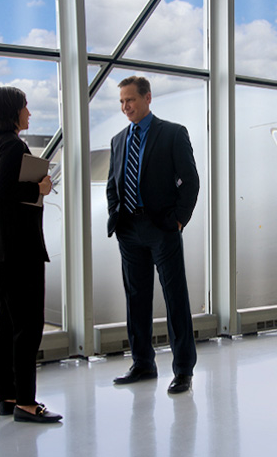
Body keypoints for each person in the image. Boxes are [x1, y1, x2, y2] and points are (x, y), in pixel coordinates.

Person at [105, 75, 200, 395]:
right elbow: (112, 184)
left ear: (147, 98)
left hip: (162, 229)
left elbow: (190, 180)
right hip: (129, 230)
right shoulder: (118, 140)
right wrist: (115, 216)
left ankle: (183, 370)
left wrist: (178, 221)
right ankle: (143, 363)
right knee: (136, 299)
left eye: (130, 100)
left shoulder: (172, 133)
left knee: (175, 299)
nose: (125, 106)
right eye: (121, 102)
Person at [0, 86, 60, 423]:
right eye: (26, 106)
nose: (30, 113)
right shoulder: (13, 145)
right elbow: (6, 190)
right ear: (13, 111)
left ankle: (7, 396)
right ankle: (26, 401)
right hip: (21, 249)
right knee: (28, 326)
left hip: (3, 251)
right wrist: (38, 187)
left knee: (7, 324)